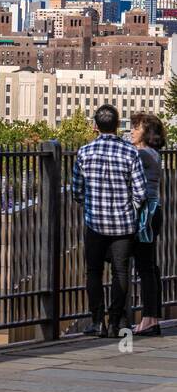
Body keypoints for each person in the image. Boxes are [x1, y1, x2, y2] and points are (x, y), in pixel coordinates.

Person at [71, 104, 147, 339]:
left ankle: (97, 321)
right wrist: (129, 208)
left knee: (93, 272)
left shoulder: (84, 152)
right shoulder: (130, 152)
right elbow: (141, 192)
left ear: (95, 127)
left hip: (95, 223)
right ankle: (116, 322)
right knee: (121, 272)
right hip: (123, 225)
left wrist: (91, 207)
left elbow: (77, 190)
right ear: (118, 126)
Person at [131, 111, 165, 337]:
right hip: (153, 212)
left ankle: (148, 320)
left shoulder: (143, 154)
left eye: (136, 127)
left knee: (145, 267)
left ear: (147, 132)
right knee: (150, 266)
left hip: (146, 214)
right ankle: (151, 317)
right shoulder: (153, 153)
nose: (132, 131)